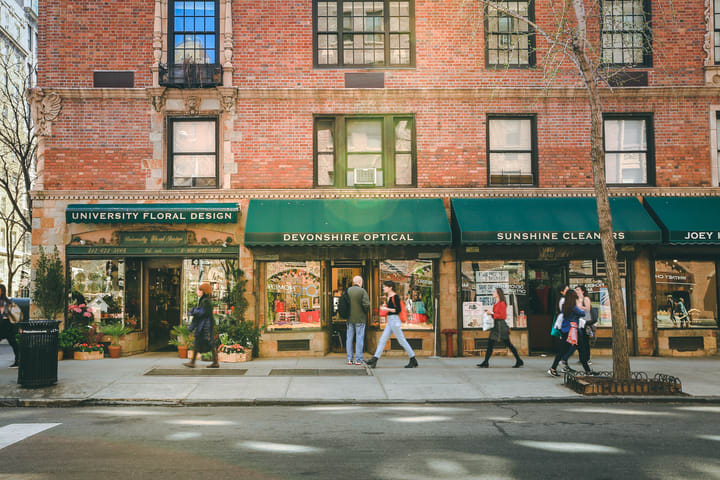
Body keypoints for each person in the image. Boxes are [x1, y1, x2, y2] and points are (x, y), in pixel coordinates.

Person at [366, 281, 418, 369]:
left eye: (385, 287)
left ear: (390, 287)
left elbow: (397, 310)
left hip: (394, 321)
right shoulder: (389, 297)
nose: (383, 288)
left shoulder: (395, 297)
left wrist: (386, 308)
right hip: (390, 321)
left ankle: (413, 359)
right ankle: (375, 359)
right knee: (382, 340)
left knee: (401, 340)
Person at [477, 287, 523, 368]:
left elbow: (502, 316)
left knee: (508, 344)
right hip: (497, 325)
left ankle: (519, 360)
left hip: (501, 326)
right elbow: (496, 314)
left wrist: (492, 313)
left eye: (494, 292)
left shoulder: (502, 303)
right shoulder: (496, 303)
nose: (493, 293)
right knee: (490, 343)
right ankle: (486, 361)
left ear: (498, 294)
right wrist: (490, 313)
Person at [547, 289, 585, 377]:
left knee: (563, 349)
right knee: (581, 348)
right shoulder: (573, 307)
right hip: (573, 330)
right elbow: (582, 313)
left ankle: (554, 367)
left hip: (566, 330)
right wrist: (580, 303)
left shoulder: (565, 305)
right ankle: (587, 370)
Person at [184, 282, 218, 368]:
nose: (197, 291)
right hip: (205, 325)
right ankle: (214, 362)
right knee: (204, 343)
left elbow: (202, 312)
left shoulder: (205, 301)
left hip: (205, 326)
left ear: (203, 291)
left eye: (199, 290)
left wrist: (193, 311)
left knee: (204, 342)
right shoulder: (204, 300)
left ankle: (193, 362)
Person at [345, 275, 370, 365]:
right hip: (360, 318)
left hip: (349, 318)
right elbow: (366, 305)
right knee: (359, 338)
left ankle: (349, 359)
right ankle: (358, 359)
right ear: (360, 282)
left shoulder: (348, 290)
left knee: (349, 338)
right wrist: (364, 312)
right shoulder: (362, 291)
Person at [574, 285, 595, 374]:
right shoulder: (576, 299)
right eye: (576, 290)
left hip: (586, 321)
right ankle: (582, 358)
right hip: (579, 321)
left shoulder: (585, 299)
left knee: (585, 340)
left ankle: (587, 357)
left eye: (578, 290)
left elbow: (588, 309)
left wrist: (579, 307)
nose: (577, 291)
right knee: (581, 340)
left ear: (582, 291)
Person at [0, 284, 19, 368]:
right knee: (13, 343)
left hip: (6, 324)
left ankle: (18, 360)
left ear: (2, 291)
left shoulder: (6, 302)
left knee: (13, 343)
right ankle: (18, 360)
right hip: (4, 324)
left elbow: (5, 313)